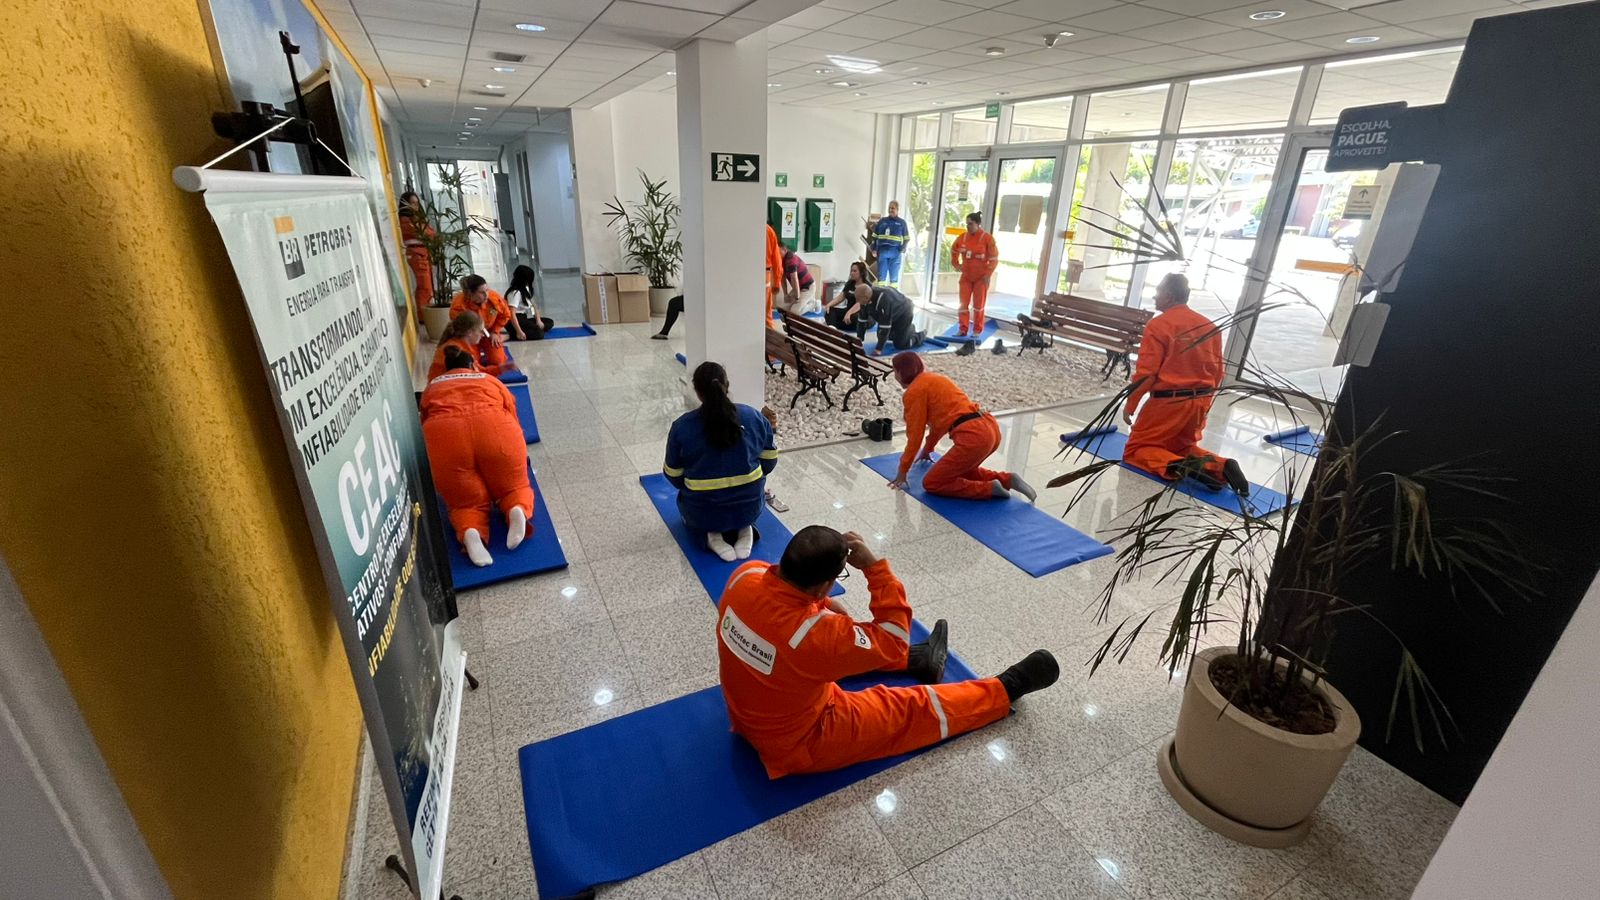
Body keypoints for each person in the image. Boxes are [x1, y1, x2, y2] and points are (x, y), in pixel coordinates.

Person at [717, 524, 1059, 778]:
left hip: (750, 708)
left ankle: (918, 660)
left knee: (815, 649)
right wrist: (875, 569)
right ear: (824, 582)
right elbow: (893, 635)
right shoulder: (816, 637)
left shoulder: (743, 577)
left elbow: (782, 608)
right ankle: (1006, 688)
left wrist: (820, 603)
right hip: (801, 740)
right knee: (910, 709)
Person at [1123, 273, 1249, 497]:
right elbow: (1218, 372)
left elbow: (1147, 374)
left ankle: (1179, 467)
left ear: (1169, 296)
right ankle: (1220, 465)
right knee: (1179, 448)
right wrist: (1205, 407)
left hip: (1168, 403)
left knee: (1136, 450)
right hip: (1198, 402)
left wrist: (1130, 405)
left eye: (1158, 291)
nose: (1154, 296)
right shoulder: (1209, 326)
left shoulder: (1159, 325)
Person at [420, 345, 537, 567]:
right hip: (495, 428)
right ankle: (516, 508)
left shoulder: (432, 388)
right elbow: (512, 411)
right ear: (473, 365)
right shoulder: (488, 380)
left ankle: (471, 531)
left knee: (464, 501)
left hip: (445, 435)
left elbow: (423, 420)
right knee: (513, 485)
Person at [664, 361, 780, 561]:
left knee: (694, 507)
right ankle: (746, 527)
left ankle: (712, 536)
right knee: (742, 504)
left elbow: (673, 475)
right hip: (750, 506)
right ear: (727, 386)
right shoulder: (753, 417)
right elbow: (769, 462)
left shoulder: (682, 426)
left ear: (698, 392)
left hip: (701, 512)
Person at [888, 352, 1037, 502]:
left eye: (895, 371)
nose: (894, 376)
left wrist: (903, 470)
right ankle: (1008, 480)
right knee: (960, 471)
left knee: (932, 483)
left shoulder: (914, 392)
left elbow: (915, 435)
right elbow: (938, 426)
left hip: (973, 436)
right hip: (989, 427)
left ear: (901, 372)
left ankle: (989, 488)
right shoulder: (935, 379)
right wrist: (927, 450)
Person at [427, 311, 518, 381]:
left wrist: (502, 368)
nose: (482, 335)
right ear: (469, 332)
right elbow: (477, 375)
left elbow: (479, 371)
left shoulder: (459, 345)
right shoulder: (458, 351)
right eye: (480, 331)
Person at [950, 211, 998, 338]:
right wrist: (956, 263)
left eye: (970, 224)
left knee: (978, 306)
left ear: (977, 224)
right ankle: (963, 329)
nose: (968, 227)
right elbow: (954, 249)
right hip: (966, 276)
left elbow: (994, 259)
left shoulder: (987, 238)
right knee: (963, 304)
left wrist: (988, 274)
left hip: (981, 278)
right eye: (967, 224)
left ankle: (977, 330)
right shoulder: (963, 237)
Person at [451, 274, 518, 361]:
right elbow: (460, 329)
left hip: (489, 333)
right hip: (470, 336)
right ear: (470, 293)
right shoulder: (458, 306)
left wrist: (495, 331)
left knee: (498, 360)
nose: (486, 294)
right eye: (482, 292)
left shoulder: (494, 298)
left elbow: (505, 315)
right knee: (470, 361)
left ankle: (502, 338)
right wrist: (474, 336)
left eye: (487, 290)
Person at [845, 282, 924, 354]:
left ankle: (920, 335)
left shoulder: (884, 300)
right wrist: (859, 340)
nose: (856, 300)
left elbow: (885, 327)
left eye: (858, 298)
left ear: (866, 297)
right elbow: (862, 321)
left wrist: (878, 349)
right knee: (888, 337)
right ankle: (907, 329)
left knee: (900, 344)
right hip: (892, 313)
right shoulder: (864, 299)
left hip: (904, 312)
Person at [398, 191, 435, 311]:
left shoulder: (416, 219)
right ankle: (423, 315)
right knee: (424, 287)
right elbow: (426, 233)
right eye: (412, 203)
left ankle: (424, 313)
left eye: (417, 203)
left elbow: (431, 233)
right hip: (416, 255)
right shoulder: (405, 220)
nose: (415, 206)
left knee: (427, 287)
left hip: (422, 254)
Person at [504, 265, 554, 340]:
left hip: (523, 318)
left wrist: (538, 320)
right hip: (514, 321)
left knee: (549, 322)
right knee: (539, 334)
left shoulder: (525, 289)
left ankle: (531, 329)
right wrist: (519, 331)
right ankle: (512, 335)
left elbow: (533, 306)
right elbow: (512, 314)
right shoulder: (515, 293)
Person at [824, 261, 873, 333]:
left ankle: (840, 324)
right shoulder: (850, 284)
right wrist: (829, 305)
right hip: (848, 311)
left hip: (862, 314)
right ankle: (833, 328)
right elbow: (841, 297)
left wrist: (849, 313)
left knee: (854, 318)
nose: (852, 273)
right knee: (830, 311)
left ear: (861, 272)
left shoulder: (867, 286)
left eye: (854, 271)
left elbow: (860, 304)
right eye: (851, 271)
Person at [871, 200, 910, 287]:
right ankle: (882, 296)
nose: (890, 210)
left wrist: (902, 248)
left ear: (897, 209)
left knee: (894, 278)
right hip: (882, 252)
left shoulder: (902, 223)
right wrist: (874, 249)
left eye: (893, 208)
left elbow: (907, 238)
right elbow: (874, 236)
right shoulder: (882, 221)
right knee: (881, 277)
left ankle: (894, 297)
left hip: (895, 252)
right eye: (889, 208)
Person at [779, 247, 816, 314]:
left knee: (794, 312)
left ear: (784, 249)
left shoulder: (790, 259)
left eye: (778, 251)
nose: (776, 253)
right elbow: (782, 278)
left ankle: (813, 304)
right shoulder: (781, 260)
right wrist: (785, 294)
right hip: (798, 287)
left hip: (808, 288)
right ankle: (806, 302)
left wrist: (797, 297)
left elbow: (794, 279)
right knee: (784, 310)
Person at [764, 224, 785, 329]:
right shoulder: (768, 230)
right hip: (764, 276)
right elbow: (777, 260)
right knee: (766, 314)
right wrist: (776, 282)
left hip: (745, 275)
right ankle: (768, 339)